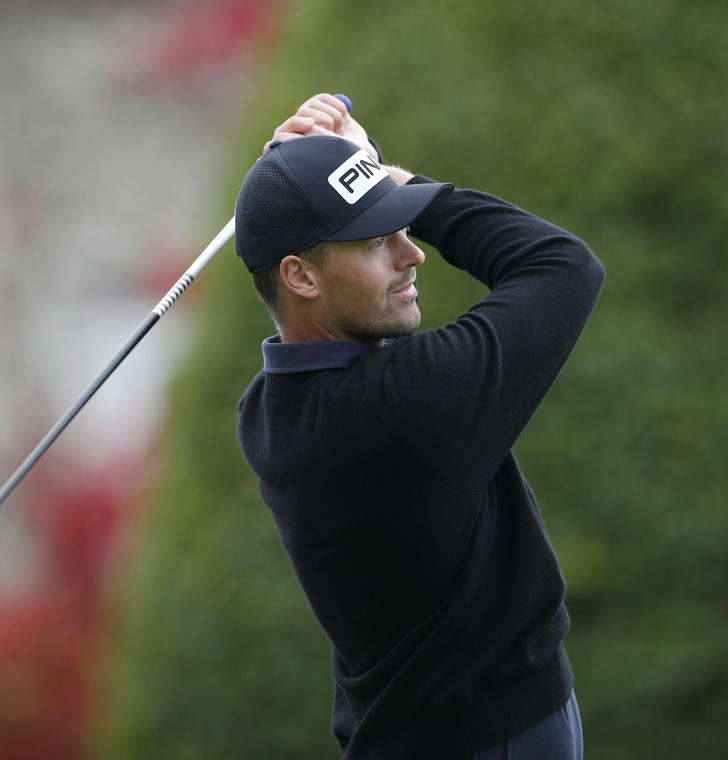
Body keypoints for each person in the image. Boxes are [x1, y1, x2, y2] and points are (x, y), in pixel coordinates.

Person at [234, 94, 604, 760]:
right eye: (377, 239)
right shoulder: (404, 406)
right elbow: (562, 266)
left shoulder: (267, 405)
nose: (413, 253)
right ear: (300, 276)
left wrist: (335, 175)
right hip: (495, 739)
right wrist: (391, 177)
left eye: (402, 226)